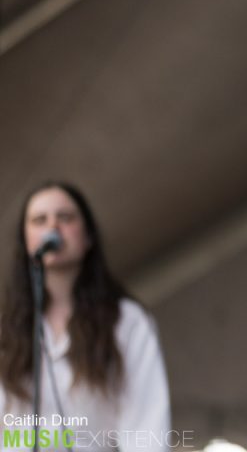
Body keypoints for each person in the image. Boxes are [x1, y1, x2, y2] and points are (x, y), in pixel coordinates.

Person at [0, 181, 171, 451]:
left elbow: (146, 423)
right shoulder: (6, 330)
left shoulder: (126, 321)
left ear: (88, 236)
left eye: (65, 217)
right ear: (25, 242)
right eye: (39, 220)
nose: (52, 227)